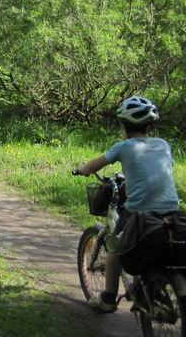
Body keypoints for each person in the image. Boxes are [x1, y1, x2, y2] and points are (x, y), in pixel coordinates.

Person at [74, 95, 180, 313]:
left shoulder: (124, 147)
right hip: (172, 212)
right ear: (149, 126)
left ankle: (108, 299)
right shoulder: (163, 145)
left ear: (124, 125)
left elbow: (95, 164)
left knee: (115, 249)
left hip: (140, 214)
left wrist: (83, 169)